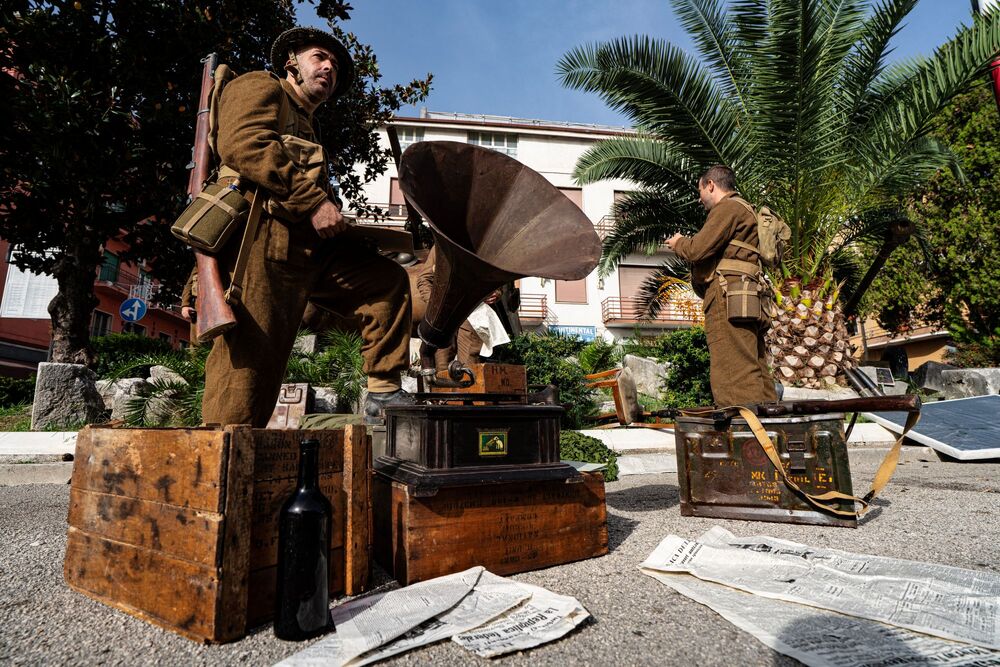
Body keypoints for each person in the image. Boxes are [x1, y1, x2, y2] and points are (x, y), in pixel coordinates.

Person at [201, 27, 412, 427]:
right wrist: (315, 201)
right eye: (319, 57)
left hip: (308, 250)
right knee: (249, 368)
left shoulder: (309, 125)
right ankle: (222, 454)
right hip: (260, 247)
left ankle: (383, 393)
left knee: (384, 281)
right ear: (291, 62)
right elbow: (243, 143)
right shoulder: (261, 86)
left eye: (334, 65)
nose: (329, 68)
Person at [665, 165, 777, 406]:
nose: (699, 198)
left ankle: (742, 425)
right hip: (747, 296)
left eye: (700, 190)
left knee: (731, 364)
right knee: (753, 361)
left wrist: (678, 243)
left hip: (728, 297)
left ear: (711, 185)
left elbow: (697, 249)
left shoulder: (727, 208)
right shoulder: (747, 209)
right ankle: (767, 419)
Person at [179, 266, 198, 346]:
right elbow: (189, 285)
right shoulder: (201, 261)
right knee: (196, 345)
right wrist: (185, 305)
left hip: (225, 306)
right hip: (199, 308)